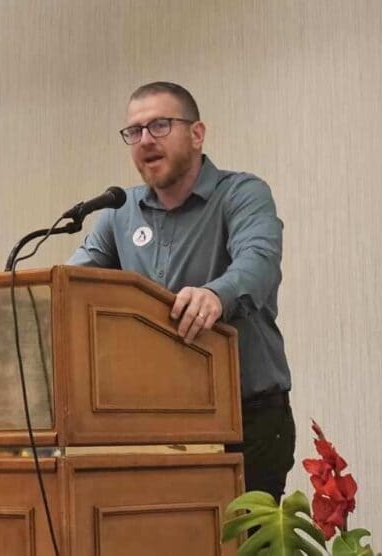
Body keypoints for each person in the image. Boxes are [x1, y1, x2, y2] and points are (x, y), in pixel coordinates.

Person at [68, 82, 295, 501]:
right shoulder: (119, 211)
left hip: (248, 419)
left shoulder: (242, 194)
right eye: (133, 132)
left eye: (159, 125)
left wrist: (215, 295)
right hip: (155, 424)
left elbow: (258, 263)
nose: (145, 140)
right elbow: (71, 287)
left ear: (196, 133)